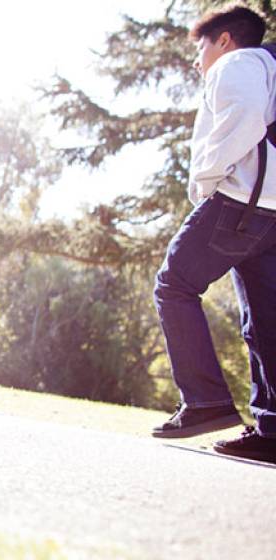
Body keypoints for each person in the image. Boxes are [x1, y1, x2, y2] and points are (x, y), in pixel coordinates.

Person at [151, 5, 276, 464]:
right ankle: (272, 430)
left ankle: (205, 403)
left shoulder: (238, 63)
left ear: (224, 40)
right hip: (272, 215)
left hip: (239, 203)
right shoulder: (271, 68)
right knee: (266, 322)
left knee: (175, 285)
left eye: (201, 46)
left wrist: (206, 178)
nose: (198, 59)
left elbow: (244, 114)